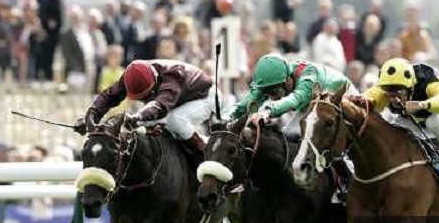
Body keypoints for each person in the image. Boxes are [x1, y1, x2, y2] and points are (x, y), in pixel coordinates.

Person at [357, 57, 439, 189]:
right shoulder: (386, 88)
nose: (393, 98)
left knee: (433, 122)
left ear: (411, 87)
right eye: (389, 92)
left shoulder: (428, 82)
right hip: (417, 121)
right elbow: (370, 96)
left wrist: (422, 104)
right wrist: (361, 101)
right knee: (393, 128)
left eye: (398, 91)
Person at [75, 59, 218, 152]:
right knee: (142, 124)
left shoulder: (174, 76)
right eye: (142, 98)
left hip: (205, 96)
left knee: (175, 120)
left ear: (155, 79)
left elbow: (159, 107)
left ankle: (204, 153)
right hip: (176, 101)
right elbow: (109, 96)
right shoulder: (131, 75)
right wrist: (91, 115)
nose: (145, 99)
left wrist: (137, 116)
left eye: (148, 95)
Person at [228, 53, 355, 134]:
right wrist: (229, 115)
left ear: (288, 80)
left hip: (343, 100)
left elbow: (294, 99)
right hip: (314, 105)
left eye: (275, 91)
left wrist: (267, 111)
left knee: (294, 134)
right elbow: (250, 100)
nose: (272, 96)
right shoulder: (275, 79)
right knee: (288, 134)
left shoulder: (309, 76)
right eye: (268, 92)